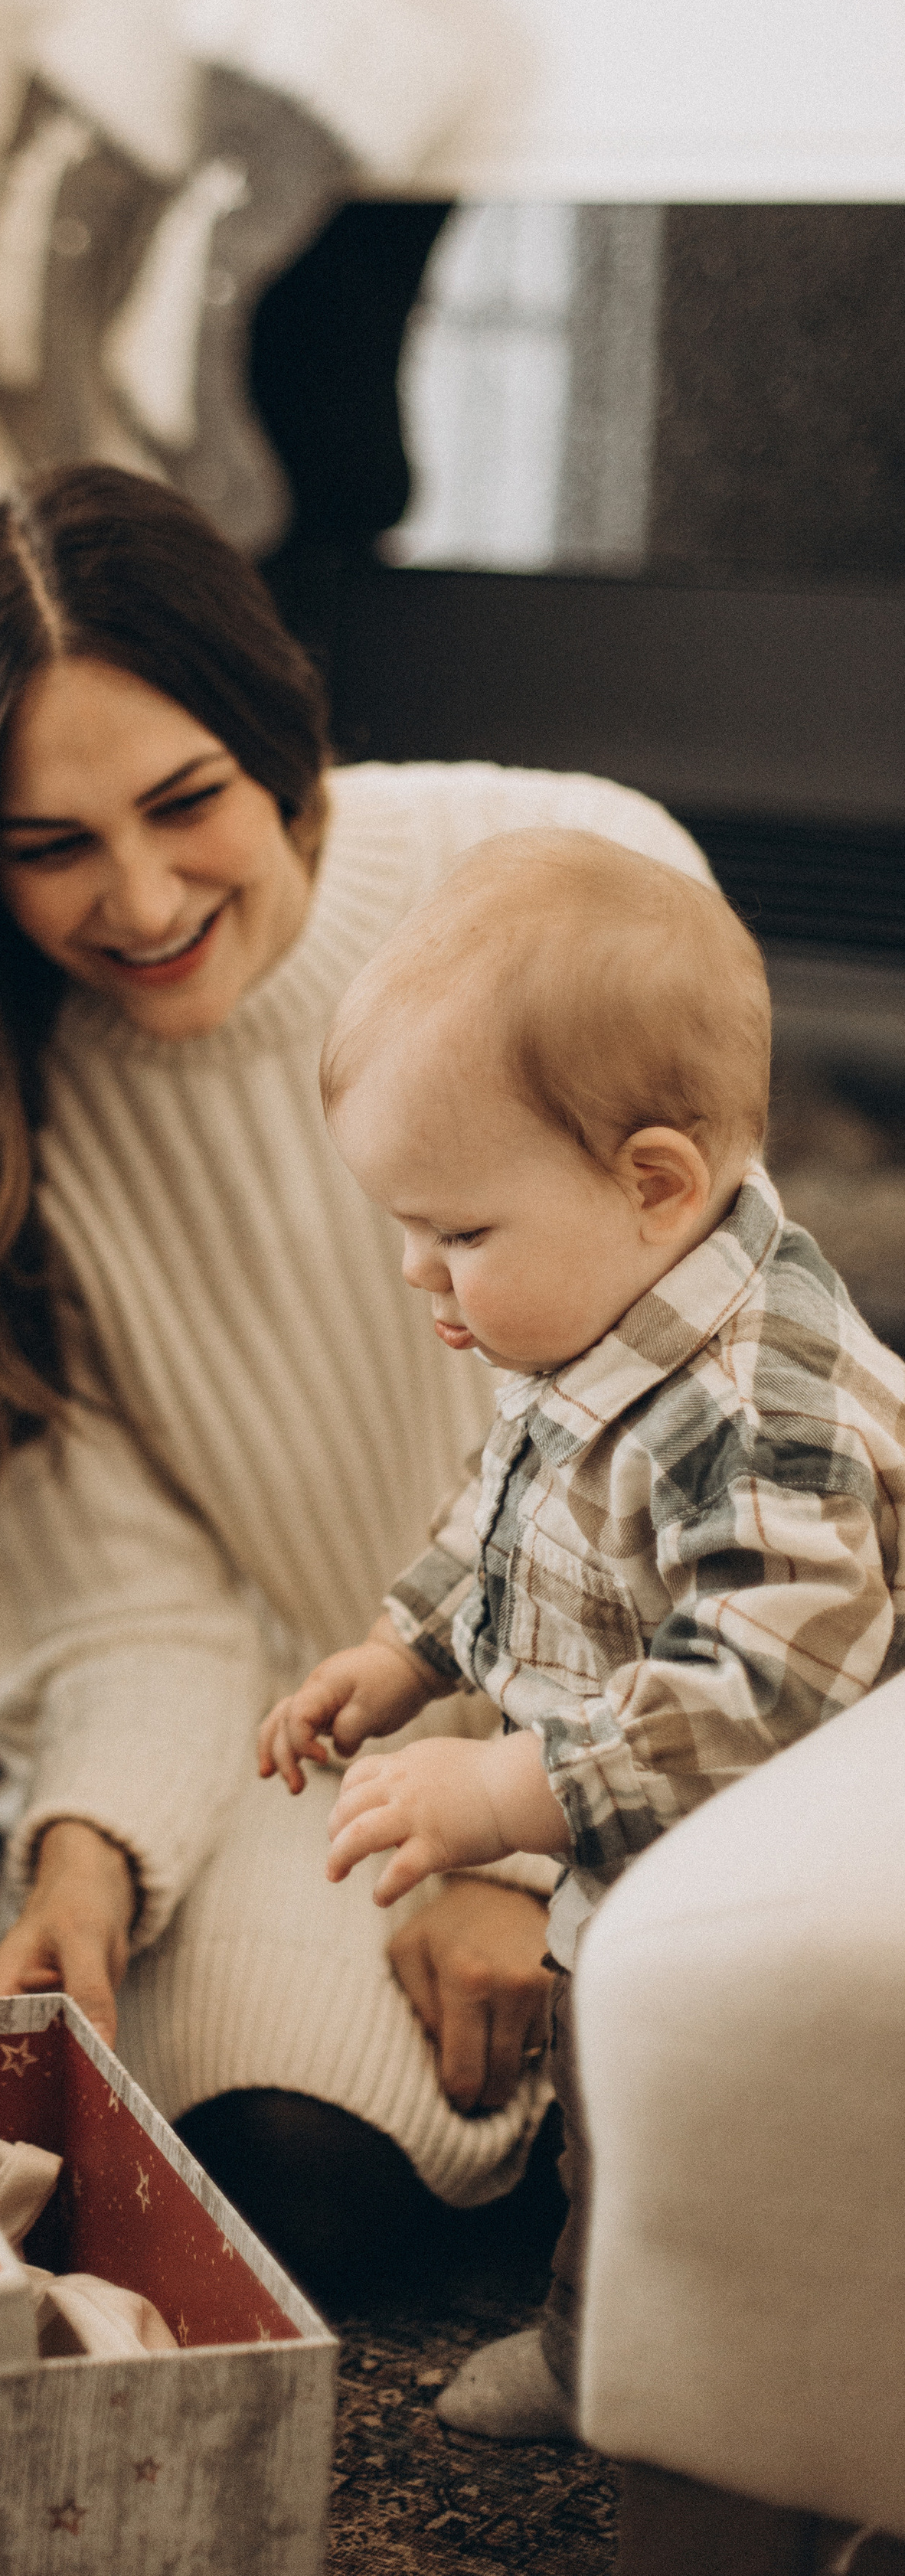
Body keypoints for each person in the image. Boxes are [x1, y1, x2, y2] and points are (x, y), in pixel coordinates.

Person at [0, 461, 717, 2305]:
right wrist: (82, 1865)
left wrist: (514, 1816)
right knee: (276, 2172)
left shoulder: (562, 870)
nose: (138, 899)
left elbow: (690, 1443)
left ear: (278, 743)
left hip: (665, 1663)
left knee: (711, 2042)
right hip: (319, 1732)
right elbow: (124, 1604)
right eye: (46, 844)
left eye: (183, 804)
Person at [260, 827, 905, 2425]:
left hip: (806, 1905)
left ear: (651, 1186)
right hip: (657, 1851)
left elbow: (767, 1688)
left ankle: (719, 2405)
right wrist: (402, 1657)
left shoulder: (762, 1408)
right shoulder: (600, 1321)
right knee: (605, 2115)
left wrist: (500, 1796)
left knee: (733, 2164)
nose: (418, 1273)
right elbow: (506, 1519)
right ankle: (596, 2342)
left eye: (457, 1235)